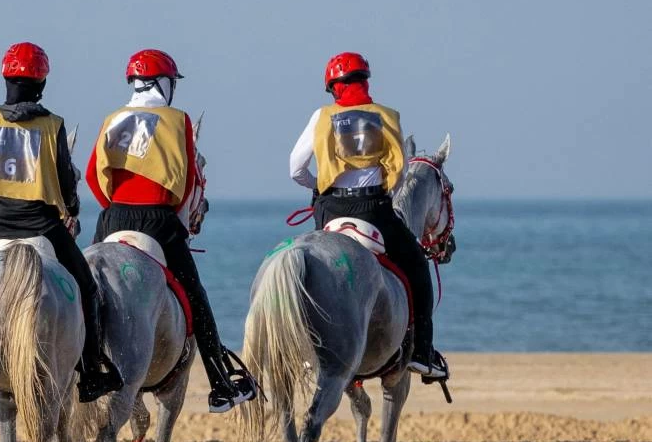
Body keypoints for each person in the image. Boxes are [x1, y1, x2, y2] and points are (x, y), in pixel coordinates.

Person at [0, 42, 124, 405]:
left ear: (5, 79)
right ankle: (92, 367)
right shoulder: (53, 125)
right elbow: (65, 180)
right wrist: (73, 206)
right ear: (41, 83)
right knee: (86, 285)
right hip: (41, 223)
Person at [86, 49, 257, 413]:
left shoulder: (112, 119)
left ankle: (83, 367)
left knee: (84, 290)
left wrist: (115, 207)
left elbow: (91, 175)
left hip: (112, 218)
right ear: (163, 82)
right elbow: (188, 180)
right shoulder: (178, 120)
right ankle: (221, 382)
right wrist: (171, 218)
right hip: (158, 220)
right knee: (196, 297)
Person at [289, 51, 447, 381]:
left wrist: (318, 188)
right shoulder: (386, 115)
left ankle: (302, 344)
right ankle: (422, 352)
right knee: (417, 264)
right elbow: (400, 169)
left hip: (331, 209)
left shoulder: (322, 116)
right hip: (375, 210)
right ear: (365, 80)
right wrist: (383, 188)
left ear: (333, 87)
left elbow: (295, 168)